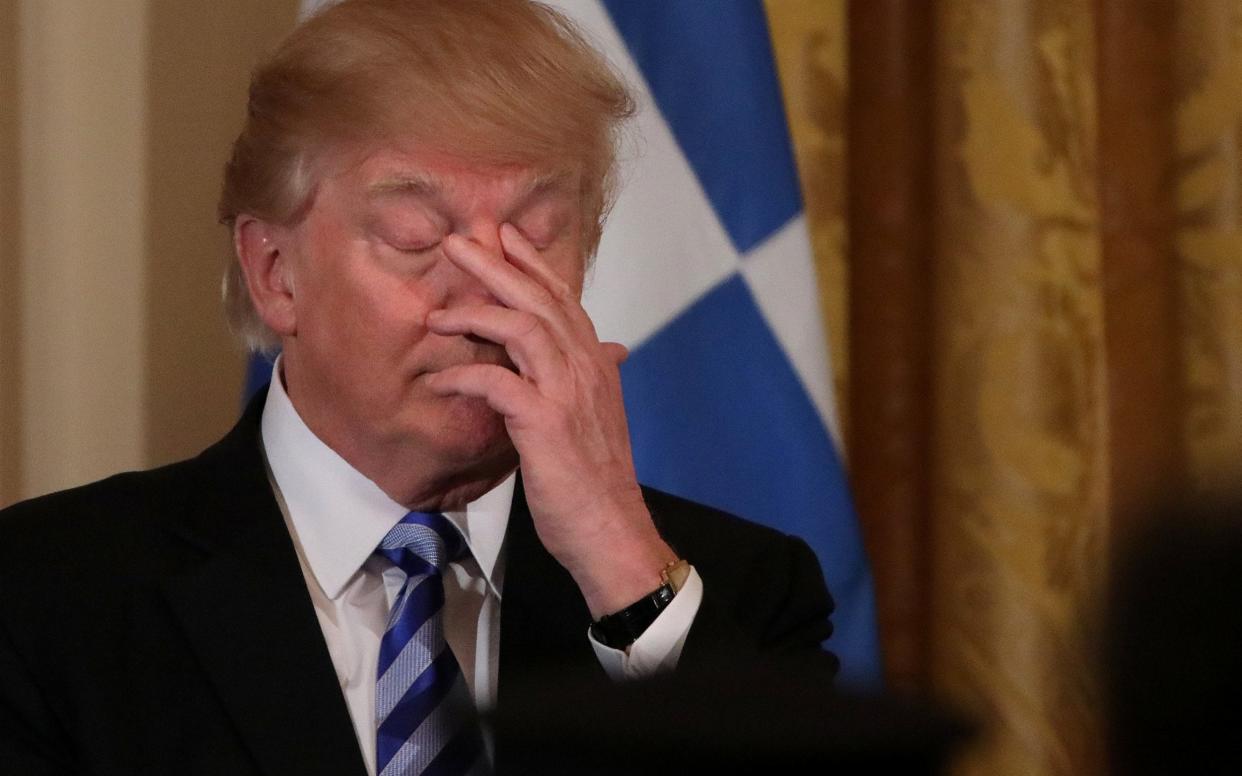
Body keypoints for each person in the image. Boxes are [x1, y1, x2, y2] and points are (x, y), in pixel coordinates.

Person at [0, 1, 836, 774]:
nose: (486, 299)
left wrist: (620, 564)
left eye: (535, 237)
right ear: (275, 273)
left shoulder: (740, 596)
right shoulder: (44, 599)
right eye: (416, 236)